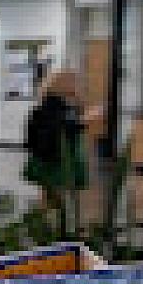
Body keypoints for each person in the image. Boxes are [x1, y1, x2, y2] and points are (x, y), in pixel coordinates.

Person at [23, 69, 92, 230]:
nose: (78, 85)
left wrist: (78, 102)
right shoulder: (53, 104)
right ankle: (49, 228)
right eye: (73, 82)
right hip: (56, 157)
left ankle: (46, 226)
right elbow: (63, 126)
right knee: (53, 193)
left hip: (54, 155)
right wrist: (84, 121)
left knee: (50, 193)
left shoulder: (58, 103)